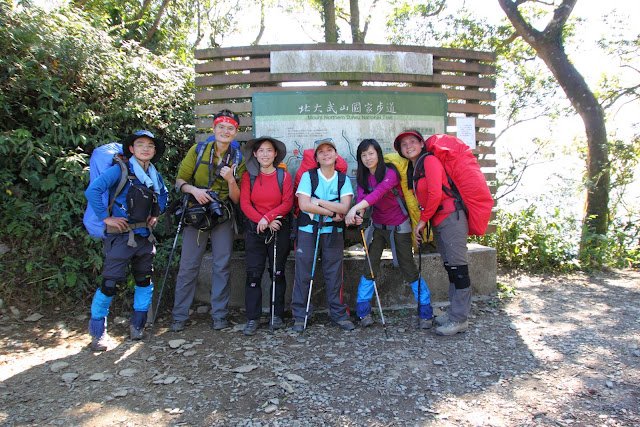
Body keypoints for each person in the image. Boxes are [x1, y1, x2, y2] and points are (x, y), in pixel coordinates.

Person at [85, 130, 169, 351]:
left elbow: (163, 194)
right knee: (109, 283)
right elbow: (93, 191)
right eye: (140, 144)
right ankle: (98, 333)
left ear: (154, 151)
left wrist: (156, 213)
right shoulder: (119, 170)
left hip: (144, 236)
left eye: (150, 146)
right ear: (131, 149)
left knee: (144, 280)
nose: (145, 149)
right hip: (120, 236)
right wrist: (106, 218)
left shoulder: (153, 174)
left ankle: (137, 326)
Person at [170, 109, 246, 332]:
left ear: (236, 132)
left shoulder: (238, 158)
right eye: (221, 127)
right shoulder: (199, 150)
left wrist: (231, 180)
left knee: (222, 264)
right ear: (214, 129)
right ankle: (179, 315)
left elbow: (237, 198)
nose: (225, 131)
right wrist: (194, 190)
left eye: (230, 128)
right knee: (188, 264)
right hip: (197, 212)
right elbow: (180, 181)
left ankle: (219, 314)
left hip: (222, 213)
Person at [345, 139, 433, 328]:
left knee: (408, 267)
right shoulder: (362, 177)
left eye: (371, 153)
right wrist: (359, 213)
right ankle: (363, 313)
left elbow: (378, 193)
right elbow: (363, 199)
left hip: (399, 225)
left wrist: (355, 208)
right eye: (363, 155)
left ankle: (426, 312)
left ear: (378, 154)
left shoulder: (390, 172)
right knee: (369, 266)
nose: (368, 158)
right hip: (377, 226)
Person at [394, 129, 471, 336]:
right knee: (450, 267)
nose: (408, 146)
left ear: (421, 144)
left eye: (412, 141)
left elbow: (436, 193)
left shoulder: (429, 161)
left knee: (459, 269)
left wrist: (422, 222)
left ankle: (459, 319)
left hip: (451, 218)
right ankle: (455, 313)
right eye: (404, 144)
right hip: (441, 220)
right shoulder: (416, 167)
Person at [291, 139, 355, 332]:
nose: (326, 154)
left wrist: (318, 202)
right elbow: (304, 205)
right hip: (308, 231)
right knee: (303, 273)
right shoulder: (308, 176)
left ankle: (338, 314)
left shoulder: (343, 179)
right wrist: (331, 212)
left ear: (336, 155)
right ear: (316, 158)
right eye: (321, 152)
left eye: (329, 150)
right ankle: (300, 315)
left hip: (333, 232)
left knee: (334, 274)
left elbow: (345, 207)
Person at [240, 137, 294, 335]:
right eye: (261, 150)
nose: (265, 154)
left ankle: (276, 314)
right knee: (253, 274)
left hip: (279, 228)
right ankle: (252, 318)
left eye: (269, 150)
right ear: (255, 154)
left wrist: (269, 218)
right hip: (255, 230)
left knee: (277, 272)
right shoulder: (249, 177)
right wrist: (262, 220)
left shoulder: (283, 176)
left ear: (275, 154)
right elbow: (245, 204)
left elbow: (287, 203)